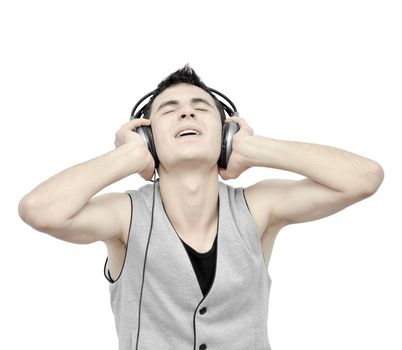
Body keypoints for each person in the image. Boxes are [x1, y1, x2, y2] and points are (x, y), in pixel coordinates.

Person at [18, 64, 384, 349]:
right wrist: (128, 157)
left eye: (201, 108)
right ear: (148, 136)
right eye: (169, 110)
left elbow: (364, 179)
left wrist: (255, 149)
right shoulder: (125, 216)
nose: (187, 114)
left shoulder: (259, 207)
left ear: (226, 135)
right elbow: (39, 210)